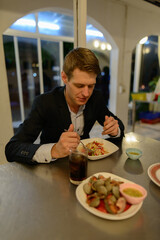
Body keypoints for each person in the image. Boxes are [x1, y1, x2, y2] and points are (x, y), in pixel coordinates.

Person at [5, 47, 124, 164]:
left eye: (91, 86)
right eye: (79, 86)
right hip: (52, 169)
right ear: (64, 77)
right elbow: (12, 149)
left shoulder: (96, 98)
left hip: (84, 165)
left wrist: (115, 130)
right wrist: (54, 150)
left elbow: (118, 126)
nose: (86, 94)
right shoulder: (45, 103)